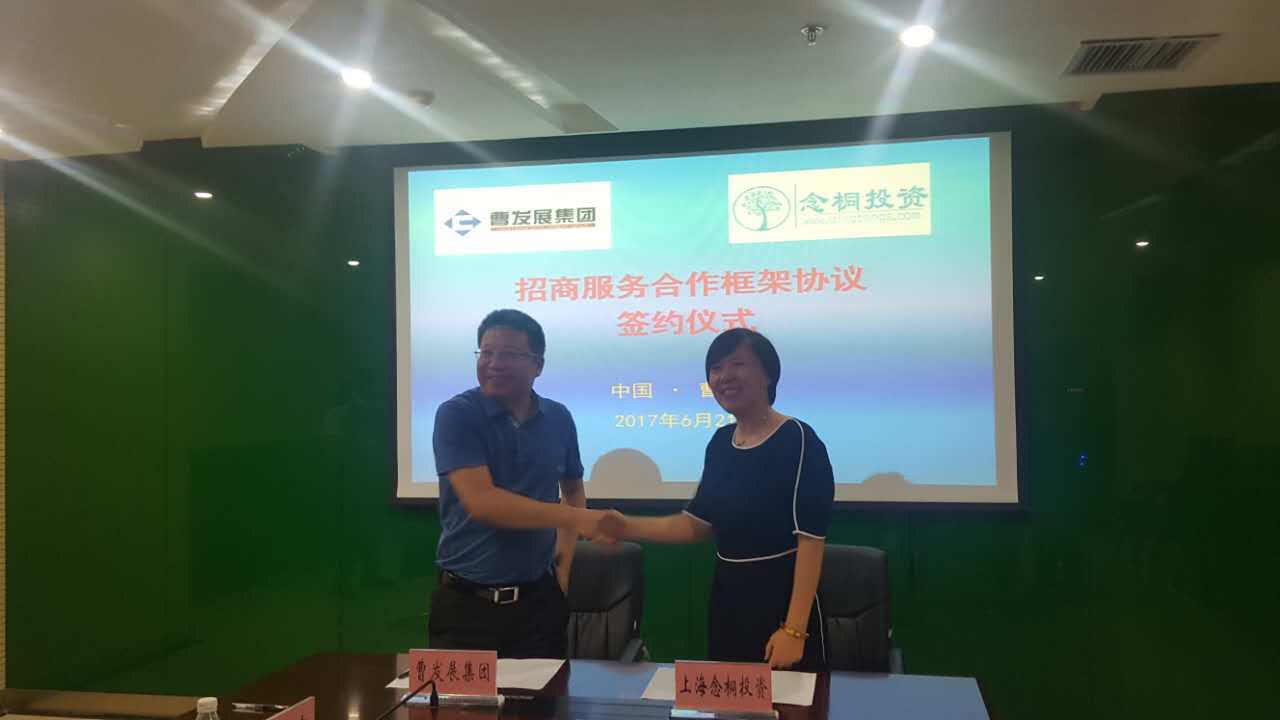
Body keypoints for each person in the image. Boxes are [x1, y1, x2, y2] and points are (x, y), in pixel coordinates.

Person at [603, 328, 835, 671]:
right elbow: (695, 525)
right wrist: (623, 526)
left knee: (790, 699)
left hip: (783, 607)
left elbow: (811, 540)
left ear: (768, 374)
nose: (724, 376)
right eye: (715, 368)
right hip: (728, 601)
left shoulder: (798, 439)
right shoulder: (721, 442)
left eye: (737, 364)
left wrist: (794, 630)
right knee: (728, 695)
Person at [429, 309, 613, 658]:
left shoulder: (558, 418)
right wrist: (576, 518)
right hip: (466, 606)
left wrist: (563, 567)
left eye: (509, 354)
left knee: (547, 693)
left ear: (537, 365)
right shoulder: (457, 414)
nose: (494, 364)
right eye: (486, 353)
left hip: (538, 605)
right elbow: (484, 503)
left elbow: (573, 489)